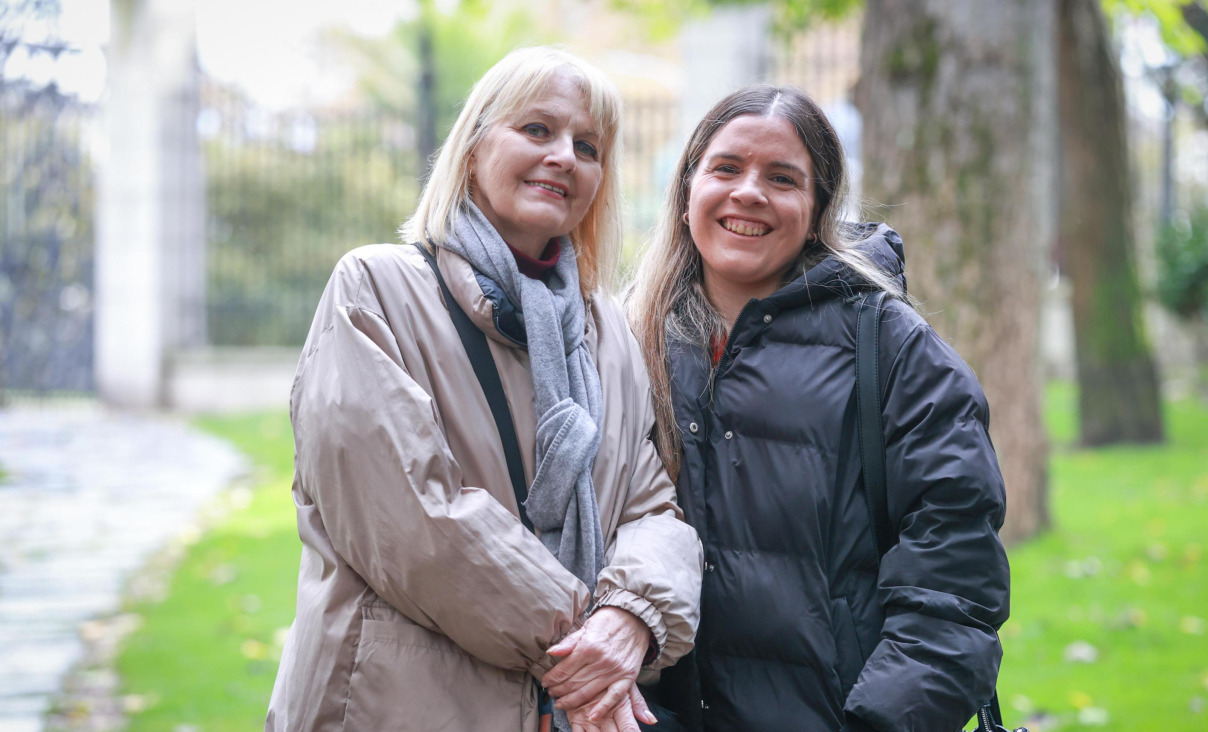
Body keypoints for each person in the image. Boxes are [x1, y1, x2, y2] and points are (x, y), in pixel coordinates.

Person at [265, 47, 702, 732]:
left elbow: (650, 508)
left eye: (588, 146)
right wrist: (588, 649)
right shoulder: (376, 289)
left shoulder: (607, 330)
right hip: (396, 704)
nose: (564, 156)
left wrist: (633, 615)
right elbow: (414, 519)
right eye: (536, 130)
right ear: (471, 150)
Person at [627, 84, 1011, 732]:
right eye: (727, 168)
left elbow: (954, 587)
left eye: (782, 178)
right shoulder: (627, 341)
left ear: (818, 206)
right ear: (688, 185)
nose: (749, 191)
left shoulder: (892, 349)